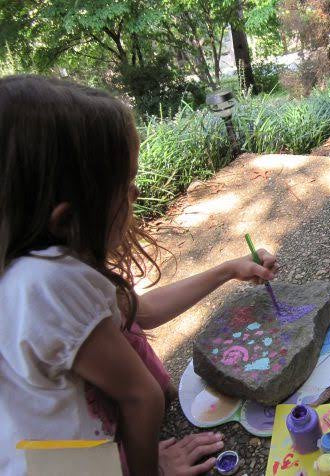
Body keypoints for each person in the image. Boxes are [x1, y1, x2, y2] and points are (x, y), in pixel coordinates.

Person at [0, 75, 278, 476]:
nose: (134, 196)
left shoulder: (31, 273)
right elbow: (140, 396)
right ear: (67, 218)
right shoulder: (47, 284)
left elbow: (140, 311)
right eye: (125, 185)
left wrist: (229, 269)